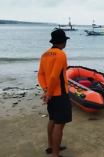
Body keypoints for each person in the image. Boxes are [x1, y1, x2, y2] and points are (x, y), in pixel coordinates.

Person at [38, 28, 72, 157]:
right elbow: (54, 76)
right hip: (59, 94)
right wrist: (49, 93)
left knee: (52, 119)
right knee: (59, 124)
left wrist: (46, 89)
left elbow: (41, 74)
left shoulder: (45, 54)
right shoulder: (61, 54)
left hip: (51, 94)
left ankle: (51, 146)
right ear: (63, 41)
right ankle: (55, 154)